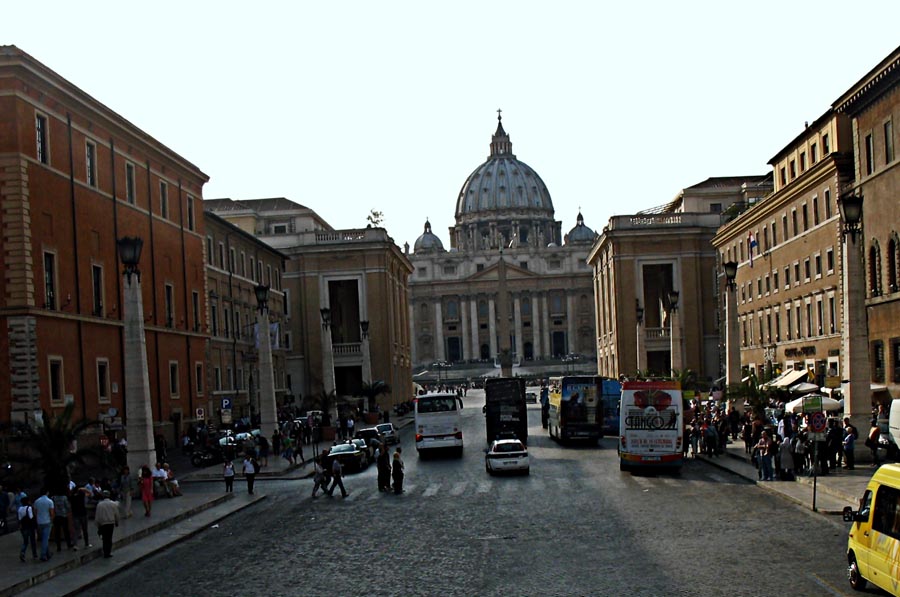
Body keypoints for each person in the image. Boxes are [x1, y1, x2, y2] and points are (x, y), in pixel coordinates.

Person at [94, 491, 119, 558]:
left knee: (105, 538)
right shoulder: (113, 504)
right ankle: (108, 552)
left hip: (103, 523)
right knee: (109, 538)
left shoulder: (99, 504)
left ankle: (105, 552)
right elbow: (116, 514)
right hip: (111, 523)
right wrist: (117, 522)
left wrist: (97, 524)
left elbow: (97, 515)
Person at [32, 488, 54, 561]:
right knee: (45, 538)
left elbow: (35, 512)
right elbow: (51, 513)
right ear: (47, 493)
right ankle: (43, 554)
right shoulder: (50, 501)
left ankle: (48, 553)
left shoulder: (36, 501)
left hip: (39, 521)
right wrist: (52, 520)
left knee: (44, 538)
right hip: (47, 521)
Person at [51, 488, 75, 552]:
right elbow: (67, 506)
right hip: (63, 516)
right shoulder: (64, 498)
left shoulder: (53, 498)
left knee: (57, 532)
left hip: (56, 516)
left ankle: (59, 547)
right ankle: (68, 544)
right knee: (66, 531)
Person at [17, 495, 37, 562]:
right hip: (30, 527)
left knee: (25, 542)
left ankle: (22, 552)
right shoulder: (29, 508)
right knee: (32, 541)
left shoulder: (19, 509)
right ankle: (34, 554)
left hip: (23, 527)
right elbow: (31, 517)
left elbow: (19, 519)